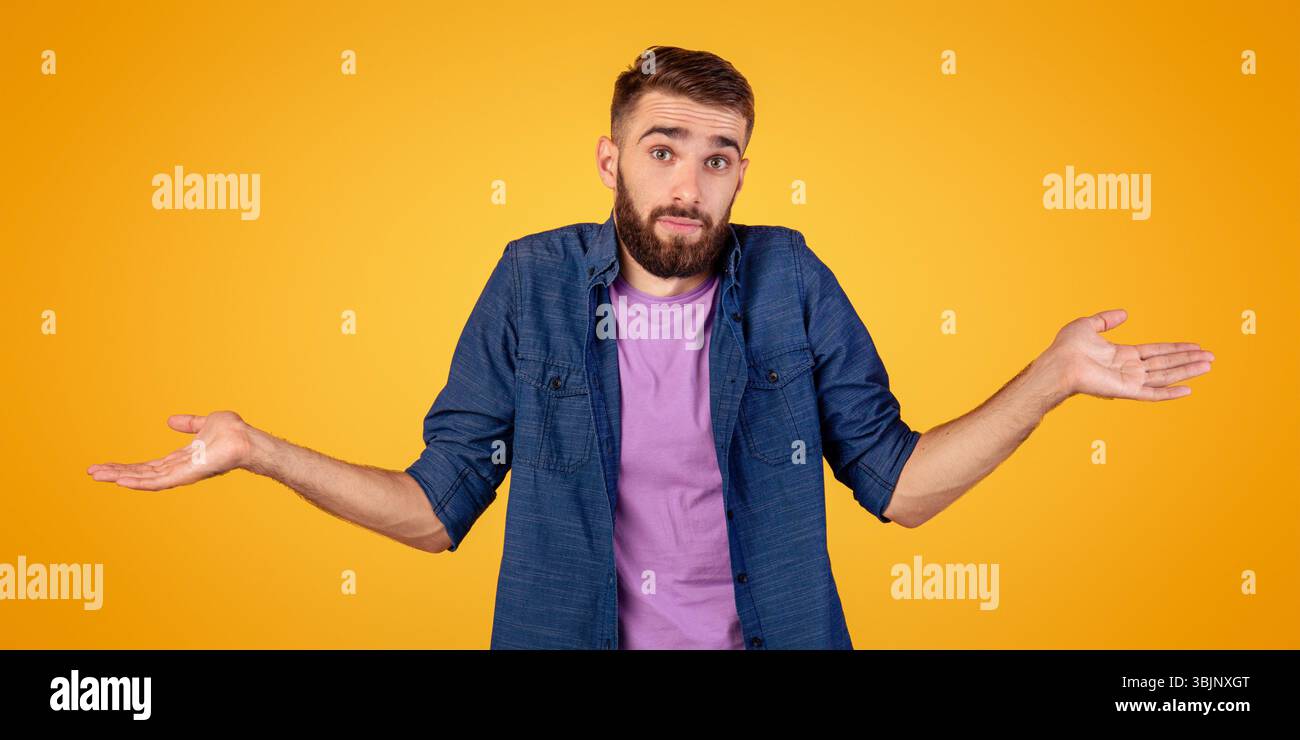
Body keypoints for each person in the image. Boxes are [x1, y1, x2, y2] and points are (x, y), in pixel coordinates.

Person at [87, 46, 1215, 649]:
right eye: (663, 147)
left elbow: (903, 488)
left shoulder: (789, 280)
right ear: (609, 157)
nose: (689, 182)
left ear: (742, 170)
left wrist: (1053, 376)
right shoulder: (531, 282)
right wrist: (258, 451)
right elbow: (436, 511)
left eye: (718, 156)